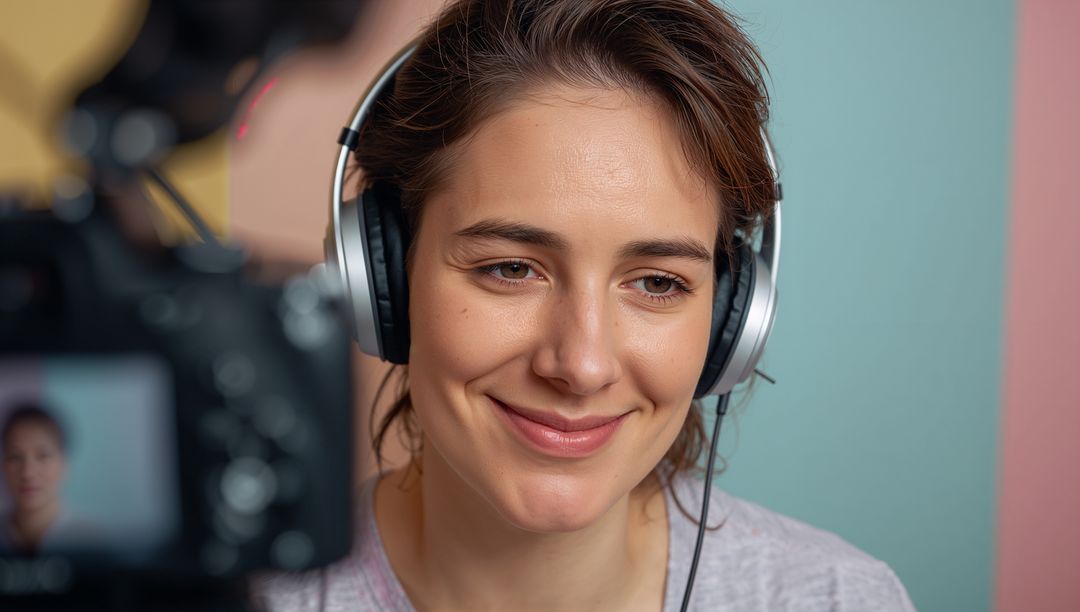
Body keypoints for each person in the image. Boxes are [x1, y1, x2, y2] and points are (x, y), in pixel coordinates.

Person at [257, 0, 915, 609]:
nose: (582, 365)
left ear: (731, 318)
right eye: (511, 269)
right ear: (383, 280)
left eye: (657, 283)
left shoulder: (840, 598)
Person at [0, 401, 84, 554]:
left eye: (43, 456)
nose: (28, 473)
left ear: (64, 465)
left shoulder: (91, 542)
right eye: (15, 456)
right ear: (3, 466)